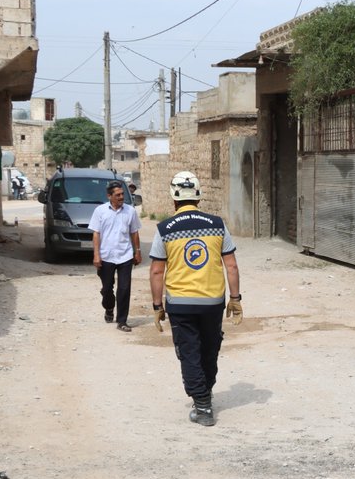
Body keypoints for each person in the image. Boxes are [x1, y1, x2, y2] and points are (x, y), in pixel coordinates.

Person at [148, 171, 242, 427]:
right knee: (210, 348)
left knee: (189, 351)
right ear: (198, 196)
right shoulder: (217, 224)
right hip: (213, 302)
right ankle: (205, 391)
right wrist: (235, 298)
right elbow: (231, 266)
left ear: (173, 198)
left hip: (180, 303)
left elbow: (157, 270)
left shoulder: (164, 229)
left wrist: (157, 306)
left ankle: (202, 406)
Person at [88, 180, 142, 332]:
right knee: (107, 289)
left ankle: (122, 320)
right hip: (106, 256)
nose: (121, 197)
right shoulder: (100, 211)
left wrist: (137, 251)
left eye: (122, 194)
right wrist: (96, 255)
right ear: (109, 196)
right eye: (117, 195)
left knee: (124, 289)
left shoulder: (130, 211)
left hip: (125, 256)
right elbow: (96, 234)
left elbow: (134, 232)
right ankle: (109, 308)